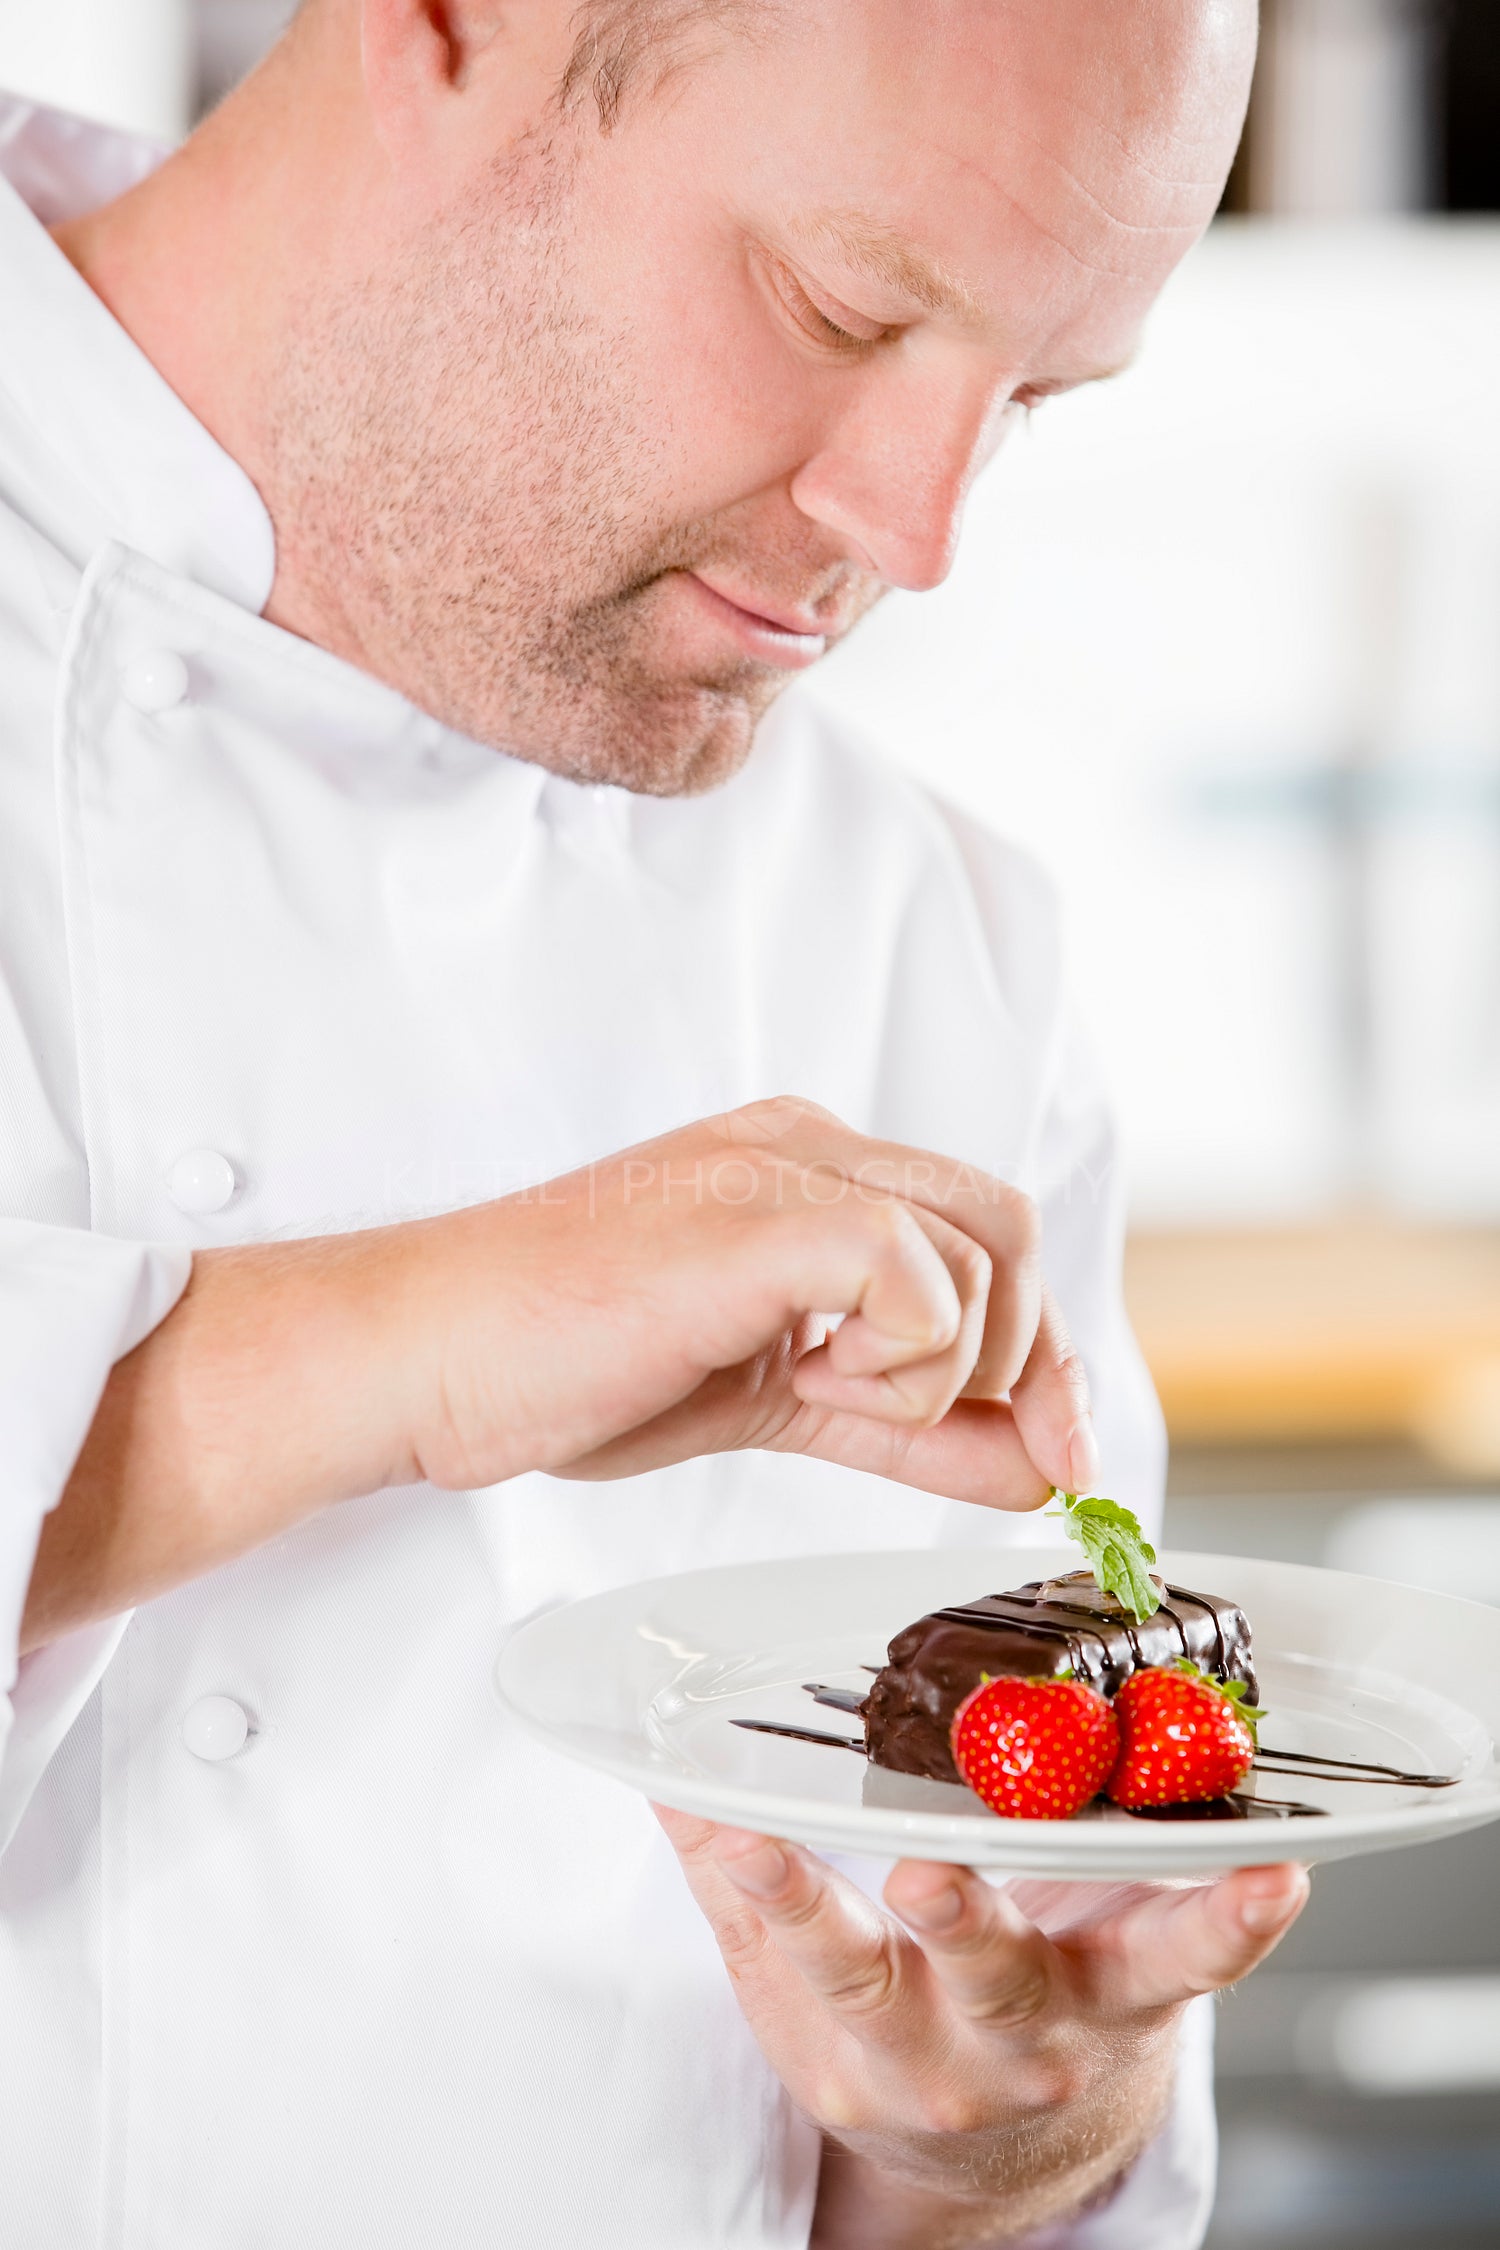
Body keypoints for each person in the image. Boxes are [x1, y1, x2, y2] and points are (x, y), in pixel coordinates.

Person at [0, 3, 1306, 2244]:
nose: (917, 530)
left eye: (1034, 399)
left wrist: (995, 2142)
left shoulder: (937, 948)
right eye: (844, 305)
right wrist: (395, 1351)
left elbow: (984, 2114)